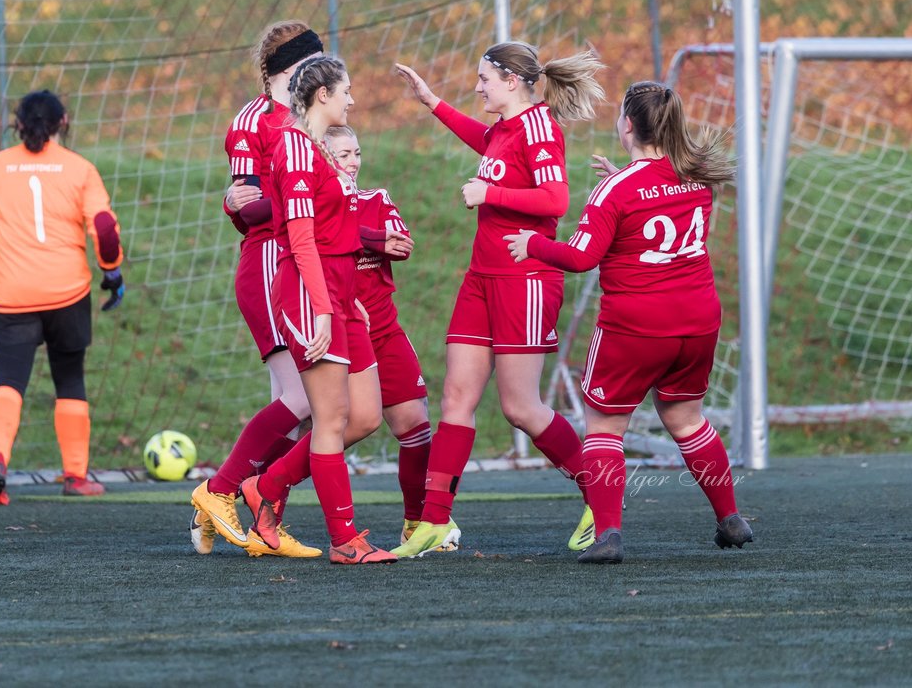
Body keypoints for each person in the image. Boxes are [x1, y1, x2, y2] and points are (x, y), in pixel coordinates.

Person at [504, 81, 754, 563]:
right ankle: (730, 517)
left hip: (638, 325)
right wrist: (625, 179)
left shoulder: (615, 190)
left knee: (603, 426)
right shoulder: (696, 177)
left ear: (627, 125)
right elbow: (656, 202)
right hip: (698, 321)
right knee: (686, 418)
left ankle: (609, 535)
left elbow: (581, 258)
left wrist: (531, 245)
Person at [391, 43, 606, 558]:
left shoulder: (538, 126)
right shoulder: (506, 129)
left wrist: (492, 196)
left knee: (521, 407)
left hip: (525, 279)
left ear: (512, 80)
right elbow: (483, 139)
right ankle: (434, 520)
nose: (479, 86)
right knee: (455, 400)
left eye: (485, 77)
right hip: (482, 278)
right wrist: (432, 102)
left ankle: (602, 493)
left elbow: (555, 201)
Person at [238, 54, 398, 564]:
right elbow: (303, 241)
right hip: (312, 294)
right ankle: (344, 541)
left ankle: (268, 485)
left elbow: (340, 234)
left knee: (366, 416)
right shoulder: (295, 148)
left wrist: (350, 299)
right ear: (322, 94)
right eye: (346, 90)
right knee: (329, 420)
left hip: (340, 293)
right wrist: (325, 312)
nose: (352, 99)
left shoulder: (323, 150)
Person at [189, 21, 326, 559]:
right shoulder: (251, 121)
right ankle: (219, 489)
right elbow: (246, 207)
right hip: (271, 258)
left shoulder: (304, 117)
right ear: (282, 69)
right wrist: (291, 200)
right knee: (301, 400)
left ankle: (258, 522)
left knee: (300, 411)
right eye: (308, 65)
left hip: (299, 255)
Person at [0, 89, 124, 506]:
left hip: (10, 294)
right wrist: (111, 270)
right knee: (69, 378)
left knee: (10, 381)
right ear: (64, 122)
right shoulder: (80, 169)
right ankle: (75, 476)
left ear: (18, 125)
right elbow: (105, 227)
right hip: (66, 293)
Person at [323, 125, 458, 550]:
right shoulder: (314, 205)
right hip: (337, 331)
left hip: (384, 328)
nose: (353, 161)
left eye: (356, 152)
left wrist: (377, 240)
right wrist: (373, 240)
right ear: (322, 159)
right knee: (328, 426)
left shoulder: (376, 200)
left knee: (415, 424)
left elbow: (400, 244)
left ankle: (416, 525)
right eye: (343, 154)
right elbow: (322, 237)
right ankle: (271, 492)